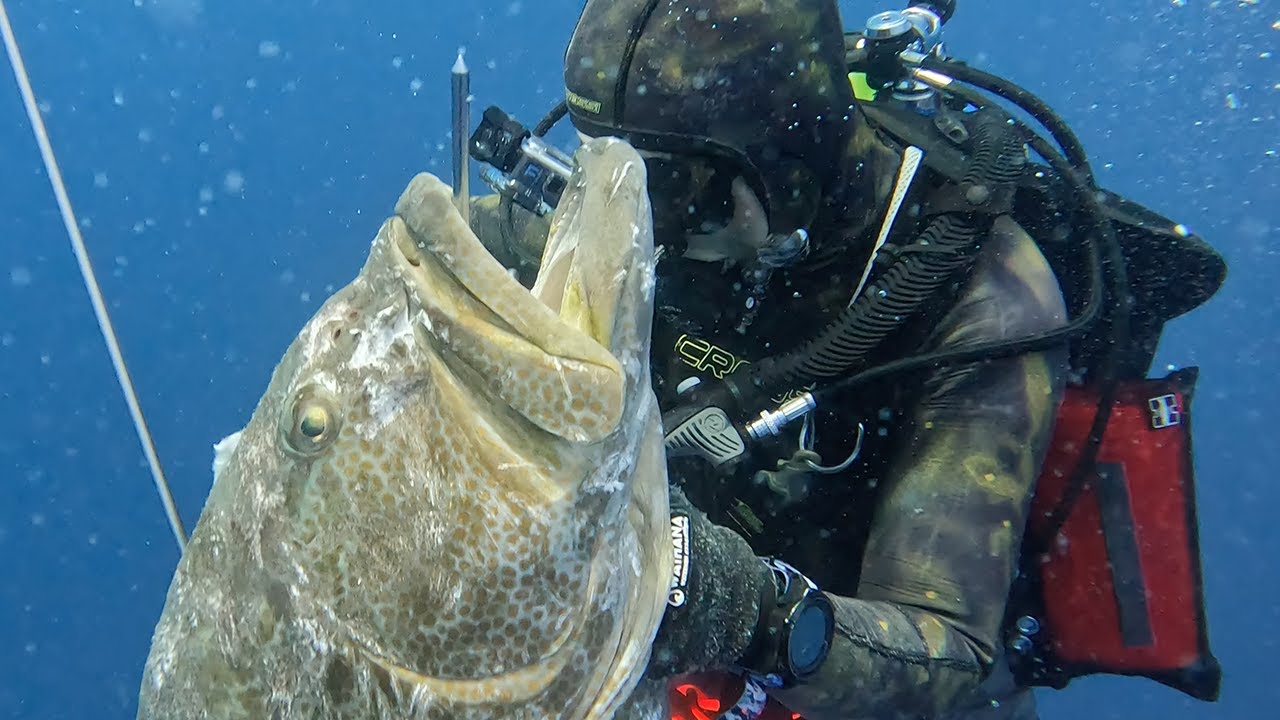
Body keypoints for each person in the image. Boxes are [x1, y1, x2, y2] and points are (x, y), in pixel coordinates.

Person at [468, 1, 1225, 718]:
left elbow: (946, 652)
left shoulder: (982, 298)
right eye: (613, 165)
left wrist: (734, 606)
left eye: (671, 188)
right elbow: (463, 260)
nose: (642, 224)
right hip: (665, 668)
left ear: (786, 165)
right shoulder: (660, 210)